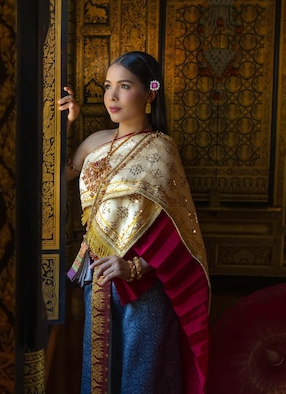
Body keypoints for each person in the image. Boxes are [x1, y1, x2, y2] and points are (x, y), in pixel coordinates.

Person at [58, 51, 210, 394]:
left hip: (142, 287)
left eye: (124, 87)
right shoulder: (95, 142)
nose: (111, 96)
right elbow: (59, 175)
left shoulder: (161, 149)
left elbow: (177, 229)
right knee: (100, 376)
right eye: (108, 86)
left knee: (140, 379)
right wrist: (64, 124)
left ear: (150, 92)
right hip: (96, 278)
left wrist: (135, 268)